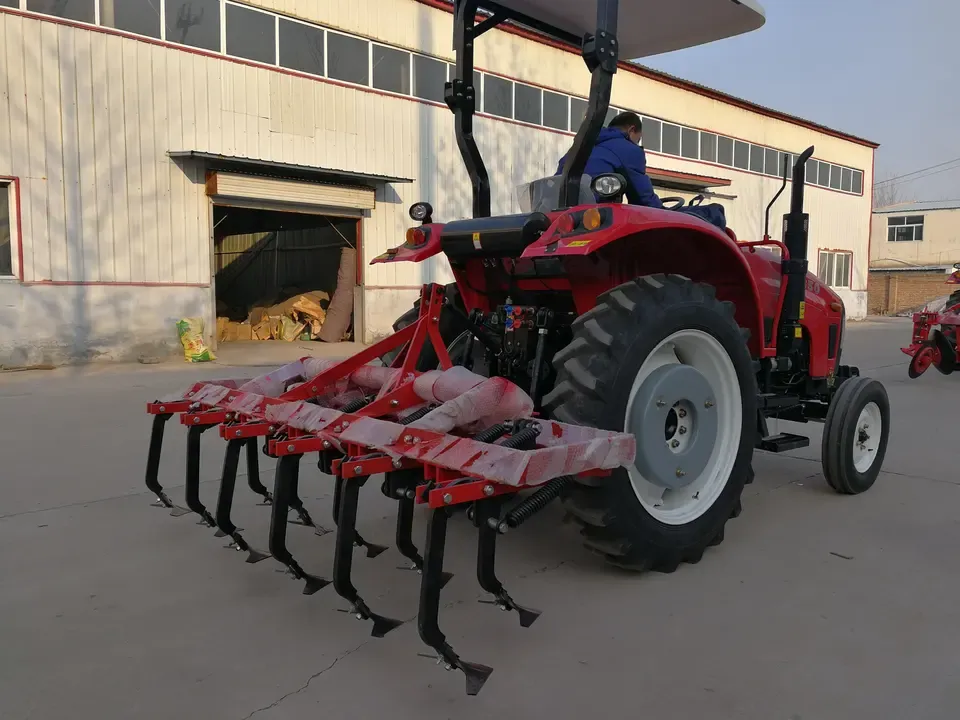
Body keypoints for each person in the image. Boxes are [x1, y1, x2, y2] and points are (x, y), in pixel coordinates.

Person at [556, 111, 663, 209]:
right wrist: (672, 212)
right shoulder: (628, 149)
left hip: (558, 211)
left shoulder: (579, 147)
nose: (636, 144)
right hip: (595, 216)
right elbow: (643, 199)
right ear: (631, 130)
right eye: (637, 140)